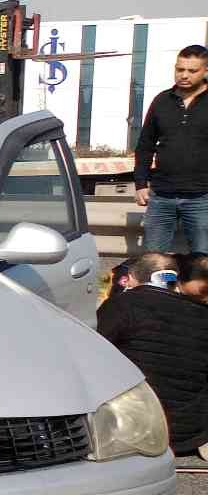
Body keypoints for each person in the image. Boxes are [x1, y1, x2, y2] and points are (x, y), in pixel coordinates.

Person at [96, 251, 208, 461]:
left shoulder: (122, 304)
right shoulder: (202, 313)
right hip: (190, 433)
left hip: (133, 429)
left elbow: (92, 354)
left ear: (132, 278)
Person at [135, 45, 208, 253]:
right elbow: (145, 146)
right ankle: (158, 287)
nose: (184, 75)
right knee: (153, 260)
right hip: (161, 195)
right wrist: (141, 183)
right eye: (179, 69)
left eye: (192, 71)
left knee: (202, 263)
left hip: (202, 197)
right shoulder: (161, 101)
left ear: (206, 71)